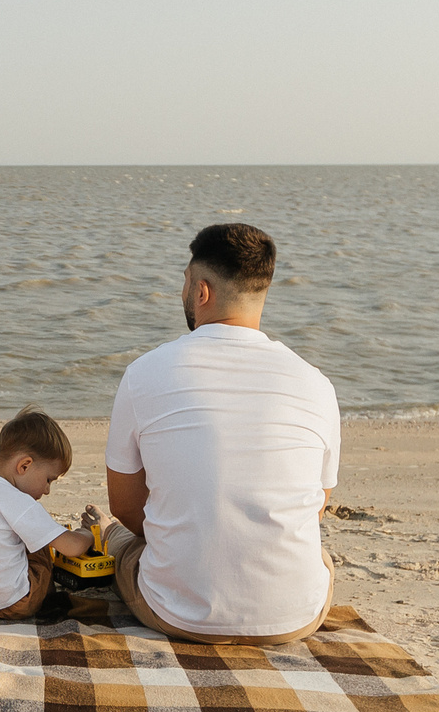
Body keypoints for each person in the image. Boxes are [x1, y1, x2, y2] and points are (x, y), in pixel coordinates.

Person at [102, 222, 340, 644]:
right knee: (319, 555)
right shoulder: (315, 382)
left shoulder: (143, 374)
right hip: (293, 618)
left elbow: (126, 507)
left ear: (201, 291)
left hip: (176, 614)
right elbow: (315, 508)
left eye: (185, 282)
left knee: (123, 546)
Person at [0, 407, 101, 620]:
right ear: (24, 466)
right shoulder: (17, 500)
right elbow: (71, 547)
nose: (47, 490)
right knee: (43, 541)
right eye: (48, 480)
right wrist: (87, 534)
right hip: (16, 602)